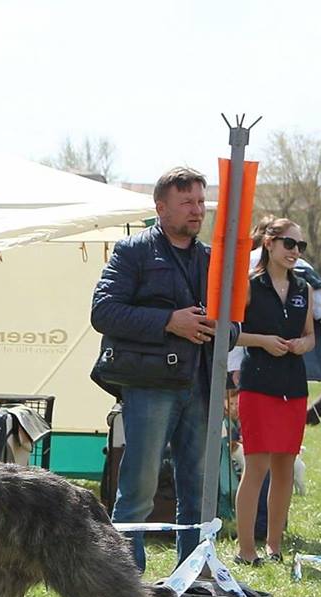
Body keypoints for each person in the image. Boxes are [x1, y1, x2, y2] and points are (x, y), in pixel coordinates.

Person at [90, 167, 239, 572]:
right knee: (139, 486)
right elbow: (103, 312)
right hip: (150, 386)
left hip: (202, 385)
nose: (197, 211)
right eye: (187, 202)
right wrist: (169, 321)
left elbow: (236, 322)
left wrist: (226, 327)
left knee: (199, 488)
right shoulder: (132, 252)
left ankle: (194, 575)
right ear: (161, 207)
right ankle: (125, 579)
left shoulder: (213, 259)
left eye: (200, 202)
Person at [233, 218, 314, 565]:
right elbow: (231, 333)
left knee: (285, 467)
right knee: (257, 467)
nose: (295, 251)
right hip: (257, 385)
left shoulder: (304, 289)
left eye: (300, 246)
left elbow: (311, 336)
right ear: (269, 243)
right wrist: (263, 341)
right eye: (289, 244)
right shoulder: (250, 286)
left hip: (293, 388)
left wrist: (302, 345)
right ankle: (246, 549)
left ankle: (274, 546)